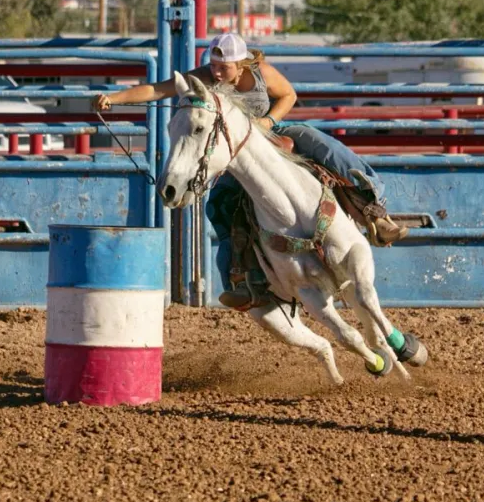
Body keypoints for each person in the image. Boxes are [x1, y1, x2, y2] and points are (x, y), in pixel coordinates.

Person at [92, 33, 409, 310]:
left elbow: (288, 95)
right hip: (235, 155)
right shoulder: (204, 78)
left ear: (240, 64)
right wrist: (115, 98)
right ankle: (241, 278)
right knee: (220, 207)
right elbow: (158, 90)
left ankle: (375, 213)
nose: (216, 71)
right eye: (213, 64)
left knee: (326, 149)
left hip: (272, 134)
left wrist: (268, 122)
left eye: (223, 66)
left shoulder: (262, 73)